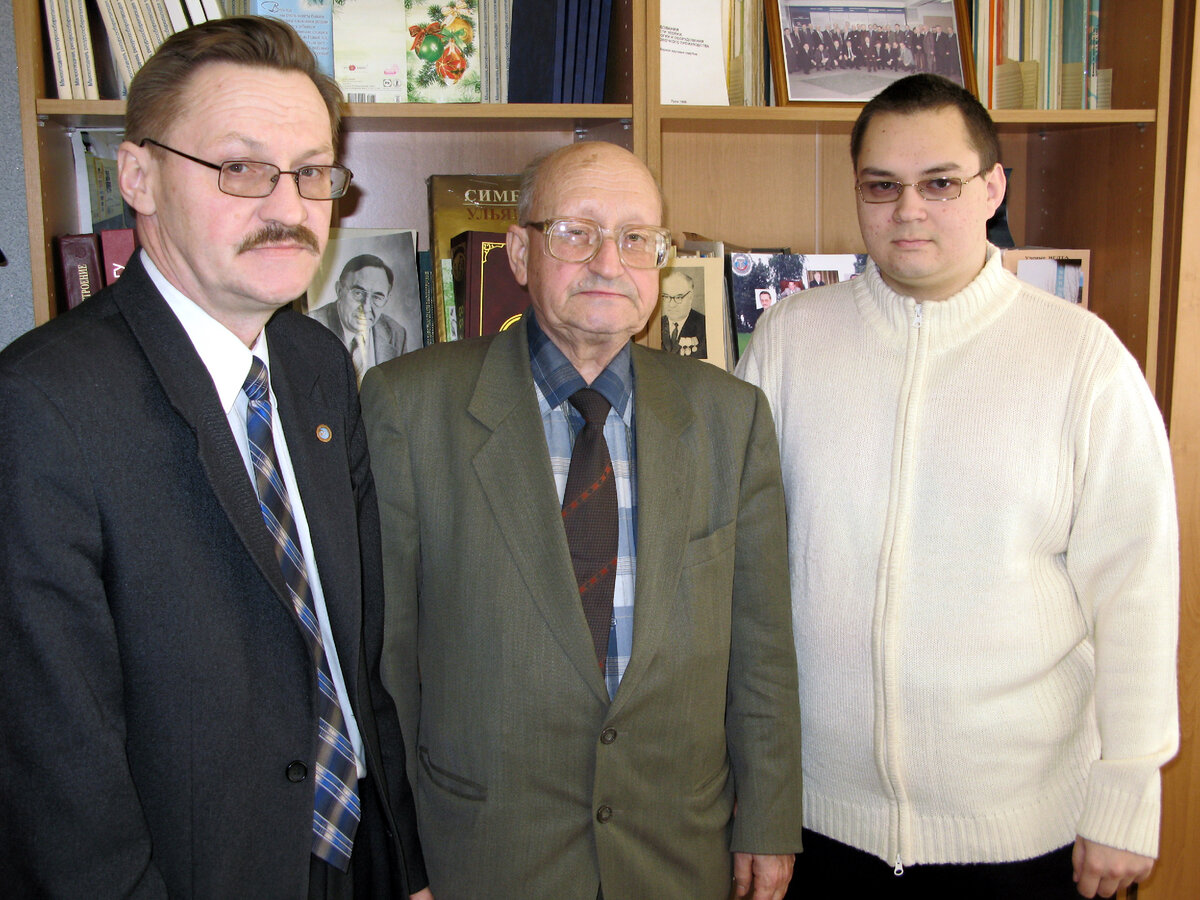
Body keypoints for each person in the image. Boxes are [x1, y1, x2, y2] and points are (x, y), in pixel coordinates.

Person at [0, 17, 430, 900]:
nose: (288, 206)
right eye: (241, 168)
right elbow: (57, 772)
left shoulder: (315, 366)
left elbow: (354, 657)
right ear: (138, 177)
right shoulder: (42, 406)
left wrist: (406, 867)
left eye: (312, 172)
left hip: (349, 862)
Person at [736, 73, 1179, 900]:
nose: (909, 210)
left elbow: (1137, 585)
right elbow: (742, 576)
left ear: (992, 188)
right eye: (883, 186)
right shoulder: (790, 341)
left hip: (1025, 835)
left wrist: (1130, 783)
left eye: (940, 183)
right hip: (818, 828)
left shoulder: (1082, 360)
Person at [361, 141, 803, 899]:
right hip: (485, 854)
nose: (610, 260)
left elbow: (760, 648)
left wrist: (767, 820)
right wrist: (405, 858)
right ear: (522, 254)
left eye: (637, 238)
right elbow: (386, 661)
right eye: (576, 232)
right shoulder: (408, 405)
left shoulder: (730, 417)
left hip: (677, 854)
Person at [312, 253, 408, 383]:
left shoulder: (396, 333)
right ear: (339, 290)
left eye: (377, 297)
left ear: (387, 299)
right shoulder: (311, 327)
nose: (366, 307)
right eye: (358, 293)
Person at [660, 268, 707, 358]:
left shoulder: (704, 325)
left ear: (690, 297)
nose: (672, 304)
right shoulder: (656, 326)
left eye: (678, 297)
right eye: (666, 297)